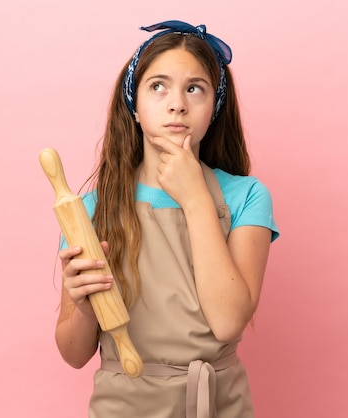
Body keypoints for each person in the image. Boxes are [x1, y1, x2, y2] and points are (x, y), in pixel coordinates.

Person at [55, 20, 279, 417]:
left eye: (195, 88)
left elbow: (228, 322)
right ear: (134, 106)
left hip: (218, 404)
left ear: (214, 108)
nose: (177, 103)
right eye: (158, 86)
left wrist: (195, 199)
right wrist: (85, 305)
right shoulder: (91, 209)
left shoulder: (246, 196)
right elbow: (73, 355)